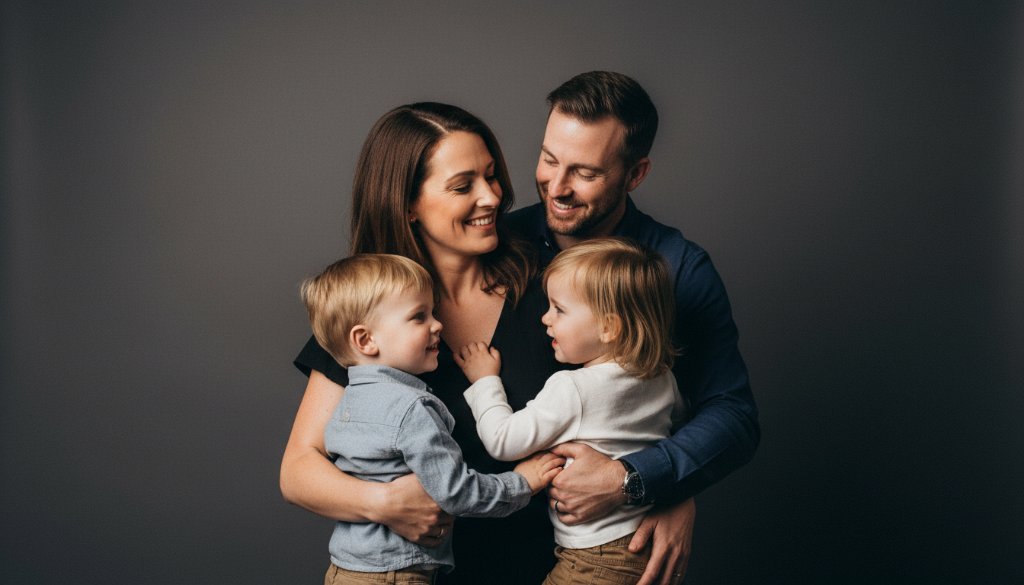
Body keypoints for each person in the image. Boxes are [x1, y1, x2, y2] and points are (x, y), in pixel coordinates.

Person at [281, 102, 568, 584]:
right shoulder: (367, 315)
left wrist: (667, 496)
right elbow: (297, 470)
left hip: (549, 568)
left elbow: (629, 403)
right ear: (408, 205)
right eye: (463, 186)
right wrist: (384, 503)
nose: (493, 197)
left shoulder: (550, 290)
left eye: (492, 176)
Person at [504, 71, 761, 583]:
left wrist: (639, 480)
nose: (557, 187)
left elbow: (733, 415)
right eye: (549, 159)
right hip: (486, 535)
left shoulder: (677, 268)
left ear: (636, 173)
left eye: (585, 173)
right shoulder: (499, 243)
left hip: (604, 550)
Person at [300, 253, 562, 583]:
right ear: (365, 340)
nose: (437, 324)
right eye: (418, 317)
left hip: (346, 569)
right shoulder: (412, 408)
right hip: (395, 574)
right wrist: (523, 483)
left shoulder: (349, 402)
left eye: (432, 313)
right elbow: (456, 492)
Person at [454, 238, 687, 584]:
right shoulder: (662, 378)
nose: (545, 318)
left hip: (598, 556)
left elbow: (503, 441)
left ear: (609, 327)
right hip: (643, 541)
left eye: (559, 309)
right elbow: (678, 429)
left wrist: (485, 381)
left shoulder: (573, 387)